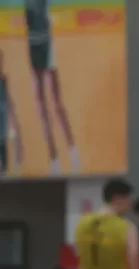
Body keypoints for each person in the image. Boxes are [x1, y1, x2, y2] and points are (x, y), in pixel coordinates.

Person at [23, 0, 79, 174]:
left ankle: (73, 152)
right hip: (32, 44)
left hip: (45, 42)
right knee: (41, 106)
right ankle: (54, 159)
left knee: (56, 103)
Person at [0, 48, 23, 176]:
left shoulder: (3, 82)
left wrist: (14, 124)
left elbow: (10, 104)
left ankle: (4, 170)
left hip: (2, 129)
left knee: (3, 146)